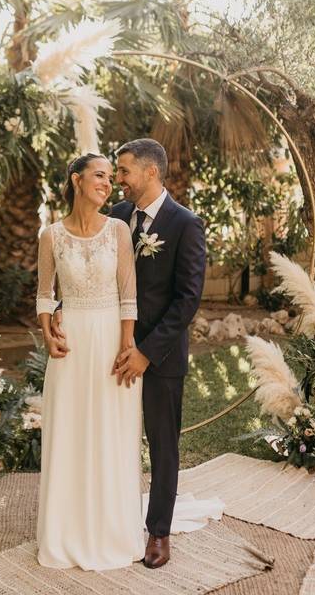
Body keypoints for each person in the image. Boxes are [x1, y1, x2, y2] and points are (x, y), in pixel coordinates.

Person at [49, 139, 208, 569]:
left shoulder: (185, 224)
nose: (117, 179)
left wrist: (145, 352)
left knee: (161, 445)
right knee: (105, 437)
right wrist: (65, 313)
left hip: (158, 356)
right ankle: (101, 522)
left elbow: (187, 300)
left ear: (151, 172)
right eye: (113, 172)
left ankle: (158, 533)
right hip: (104, 348)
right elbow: (87, 274)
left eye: (124, 171)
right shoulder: (115, 218)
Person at [35, 153, 145, 571]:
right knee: (69, 431)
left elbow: (129, 296)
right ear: (76, 180)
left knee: (110, 431)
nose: (108, 183)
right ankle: (65, 533)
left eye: (110, 178)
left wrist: (127, 345)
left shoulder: (118, 230)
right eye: (99, 176)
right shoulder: (51, 235)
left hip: (110, 343)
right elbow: (45, 294)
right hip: (70, 345)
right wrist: (48, 332)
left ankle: (111, 529)